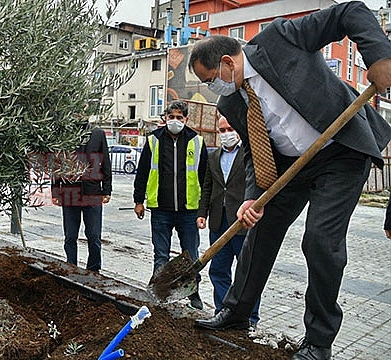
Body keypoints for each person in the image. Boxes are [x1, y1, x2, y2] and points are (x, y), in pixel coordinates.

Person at [187, 2, 391, 359]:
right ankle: (236, 313)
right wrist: (252, 199)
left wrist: (379, 57)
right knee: (259, 232)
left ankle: (318, 341)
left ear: (228, 63)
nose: (211, 88)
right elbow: (255, 152)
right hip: (290, 169)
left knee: (320, 241)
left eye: (210, 80)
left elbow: (349, 12)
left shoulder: (280, 39)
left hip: (340, 152)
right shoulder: (232, 103)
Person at [133, 100, 208, 310]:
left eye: (179, 117)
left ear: (186, 119)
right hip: (161, 210)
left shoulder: (196, 142)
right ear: (165, 118)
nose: (175, 121)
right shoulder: (153, 141)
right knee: (161, 255)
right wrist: (138, 200)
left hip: (189, 211)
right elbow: (142, 173)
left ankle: (194, 294)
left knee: (191, 255)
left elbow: (205, 178)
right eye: (172, 117)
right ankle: (159, 294)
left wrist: (204, 209)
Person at [196, 116, 260, 328]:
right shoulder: (213, 156)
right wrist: (202, 212)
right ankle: (222, 311)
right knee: (218, 270)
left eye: (230, 128)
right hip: (218, 221)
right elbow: (208, 186)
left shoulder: (249, 155)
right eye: (222, 130)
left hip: (243, 222)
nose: (226, 134)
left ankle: (249, 318)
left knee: (248, 272)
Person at [51, 121, 112, 272]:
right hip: (69, 191)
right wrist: (55, 190)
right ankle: (71, 267)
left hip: (92, 191)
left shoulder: (98, 134)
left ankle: (94, 270)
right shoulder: (64, 134)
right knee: (70, 236)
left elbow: (105, 162)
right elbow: (57, 164)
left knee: (94, 235)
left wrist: (107, 189)